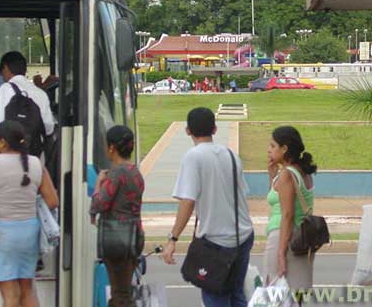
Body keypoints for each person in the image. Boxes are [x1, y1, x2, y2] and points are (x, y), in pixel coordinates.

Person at [162, 107, 254, 307]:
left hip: (217, 241)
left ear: (188, 131)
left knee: (216, 297)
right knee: (237, 294)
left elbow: (187, 201)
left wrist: (173, 238)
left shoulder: (193, 157)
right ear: (214, 129)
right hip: (243, 235)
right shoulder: (231, 155)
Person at [0, 121, 59, 307]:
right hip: (29, 232)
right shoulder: (35, 163)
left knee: (10, 294)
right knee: (27, 290)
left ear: (3, 142)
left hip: (0, 234)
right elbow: (53, 201)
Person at [90, 125, 146, 307]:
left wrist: (98, 184)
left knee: (120, 293)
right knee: (123, 290)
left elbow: (100, 203)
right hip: (134, 235)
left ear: (112, 147)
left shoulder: (117, 173)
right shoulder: (135, 172)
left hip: (117, 238)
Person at [264, 126, 317, 303]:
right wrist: (272, 176)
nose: (268, 149)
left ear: (284, 148)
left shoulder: (287, 174)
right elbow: (283, 201)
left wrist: (280, 253)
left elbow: (287, 213)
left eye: (272, 145)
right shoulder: (301, 173)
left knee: (274, 295)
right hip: (301, 239)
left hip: (283, 237)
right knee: (296, 294)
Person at [0, 51, 55, 167]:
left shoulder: (6, 88)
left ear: (5, 68)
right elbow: (49, 129)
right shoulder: (41, 94)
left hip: (9, 160)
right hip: (35, 161)